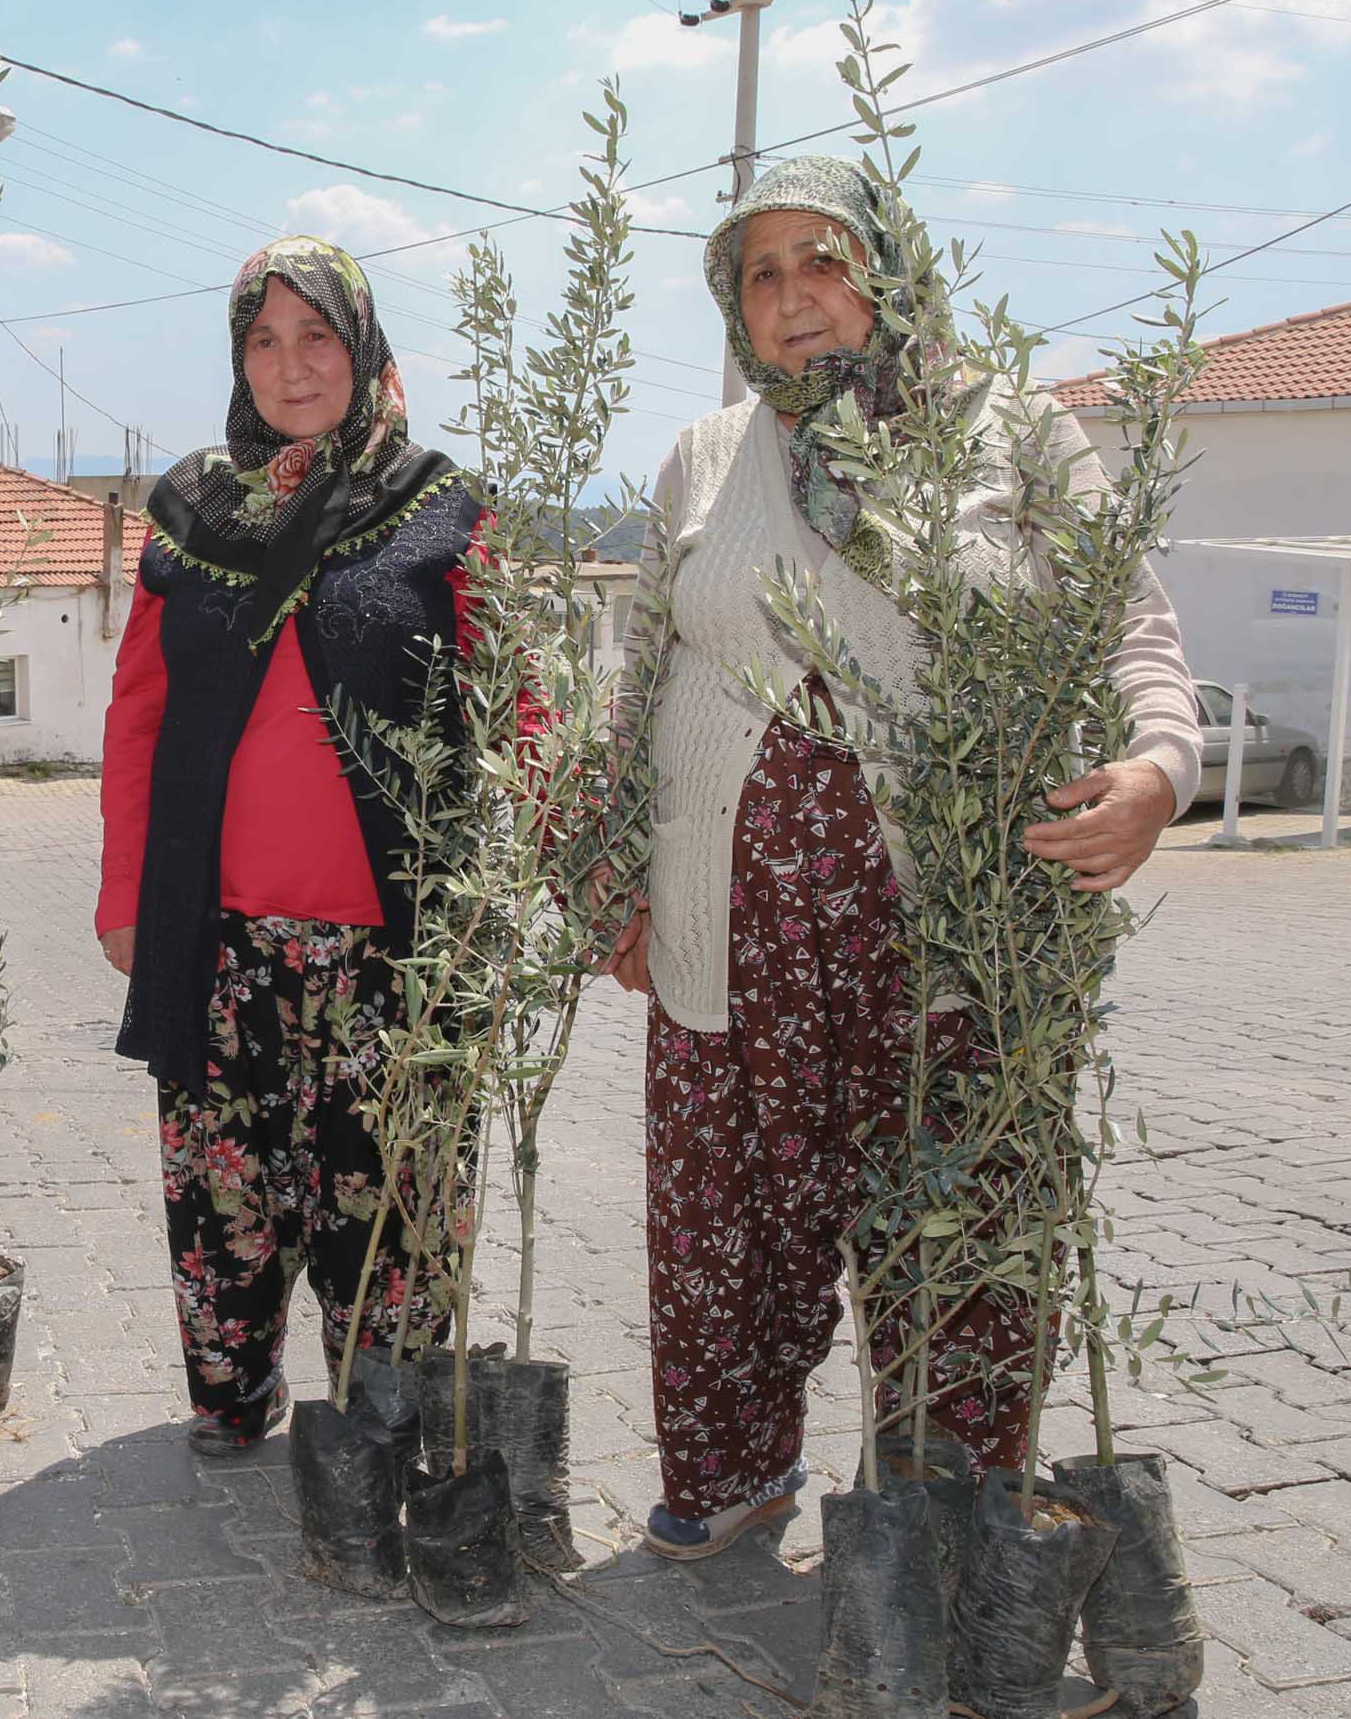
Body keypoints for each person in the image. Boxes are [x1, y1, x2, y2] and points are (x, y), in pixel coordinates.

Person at [602, 157, 1203, 1559]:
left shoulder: (1013, 434)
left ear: (888, 269)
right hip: (722, 922)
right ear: (731, 305)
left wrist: (1154, 771)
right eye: (761, 273)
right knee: (724, 1221)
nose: (795, 297)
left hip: (945, 931)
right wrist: (615, 872)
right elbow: (637, 681)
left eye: (824, 261)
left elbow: (1137, 634)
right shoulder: (703, 454)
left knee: (953, 1231)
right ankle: (731, 1466)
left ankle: (930, 1517)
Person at [97, 236, 499, 1454]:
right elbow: (138, 716)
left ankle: (381, 1412)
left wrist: (517, 878)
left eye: (316, 336)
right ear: (238, 360)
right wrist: (125, 897)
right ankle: (233, 1394)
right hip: (220, 937)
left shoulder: (440, 508)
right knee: (229, 1189)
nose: (291, 364)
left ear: (365, 349)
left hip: (398, 947)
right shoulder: (187, 517)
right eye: (264, 341)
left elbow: (515, 699)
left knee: (391, 1194)